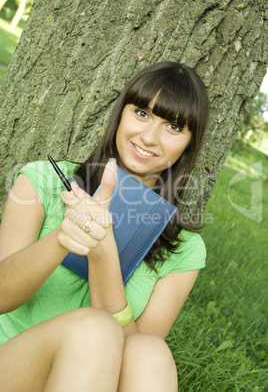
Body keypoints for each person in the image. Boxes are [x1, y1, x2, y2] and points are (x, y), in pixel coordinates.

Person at [0, 61, 209, 391]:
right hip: (11, 366)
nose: (149, 137)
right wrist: (61, 240)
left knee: (150, 351)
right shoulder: (41, 181)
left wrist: (104, 260)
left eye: (172, 127)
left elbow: (135, 363)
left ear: (188, 143)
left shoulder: (185, 251)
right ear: (121, 114)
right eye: (141, 113)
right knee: (94, 330)